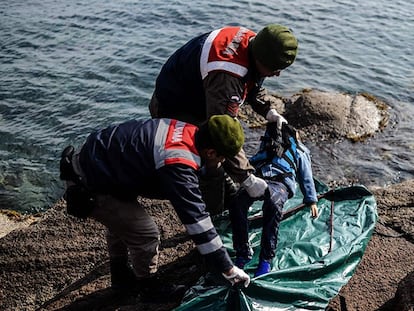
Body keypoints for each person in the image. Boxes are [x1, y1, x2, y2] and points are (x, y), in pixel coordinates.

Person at [59, 115, 250, 302]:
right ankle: (149, 287)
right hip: (90, 184)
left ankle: (120, 276)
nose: (222, 163)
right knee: (145, 234)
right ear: (210, 153)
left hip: (99, 164)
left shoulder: (187, 130)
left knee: (122, 223)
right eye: (222, 158)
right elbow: (197, 222)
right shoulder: (178, 162)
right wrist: (228, 268)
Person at [149, 24, 299, 209]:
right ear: (260, 58)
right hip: (174, 107)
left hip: (199, 96)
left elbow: (252, 80)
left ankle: (224, 196)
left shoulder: (254, 42)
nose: (277, 74)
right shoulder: (226, 74)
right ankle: (208, 212)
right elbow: (222, 133)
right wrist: (247, 178)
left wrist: (268, 111)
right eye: (274, 68)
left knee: (221, 160)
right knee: (210, 156)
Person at [228, 122, 319, 277]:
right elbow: (250, 162)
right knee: (237, 202)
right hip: (259, 179)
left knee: (273, 205)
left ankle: (265, 259)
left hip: (280, 183)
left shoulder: (299, 150)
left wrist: (311, 200)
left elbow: (306, 175)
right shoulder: (267, 146)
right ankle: (243, 251)